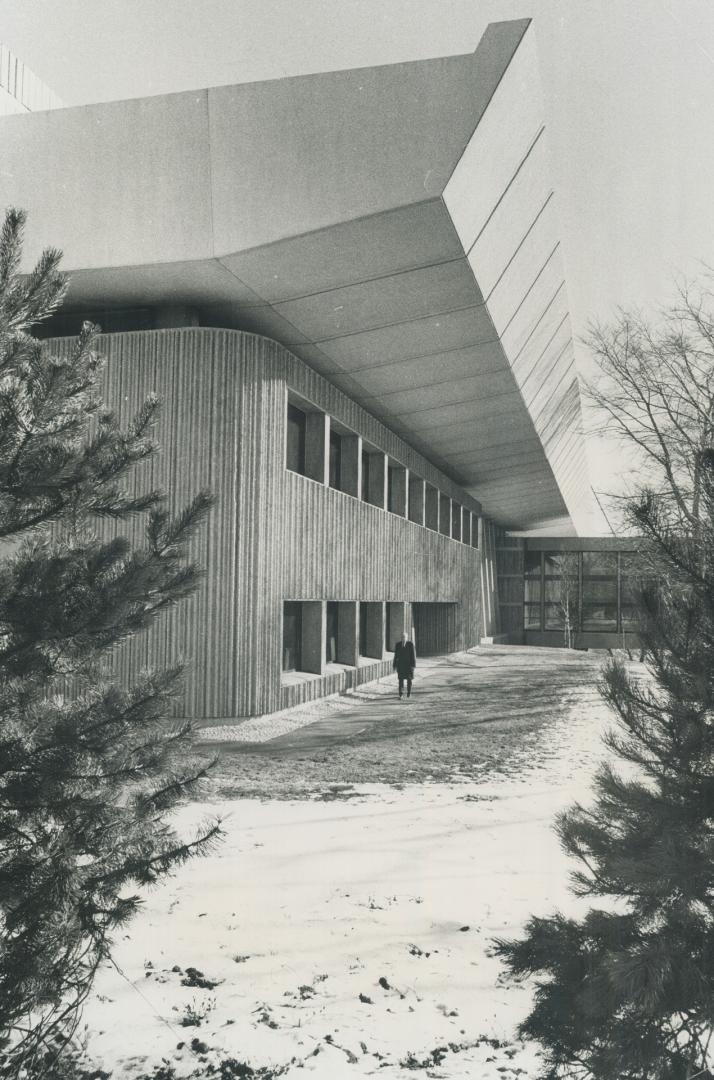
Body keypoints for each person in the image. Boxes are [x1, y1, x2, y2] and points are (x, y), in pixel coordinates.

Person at [393, 631, 416, 699]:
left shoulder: (410, 644)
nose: (403, 638)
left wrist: (413, 666)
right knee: (400, 680)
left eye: (404, 637)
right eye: (402, 637)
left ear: (407, 638)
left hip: (409, 666)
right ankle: (401, 694)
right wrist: (394, 665)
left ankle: (409, 693)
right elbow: (396, 656)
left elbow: (413, 656)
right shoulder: (398, 645)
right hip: (401, 666)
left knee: (409, 680)